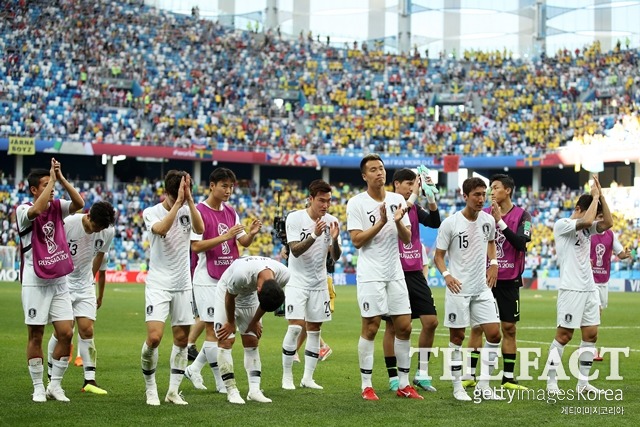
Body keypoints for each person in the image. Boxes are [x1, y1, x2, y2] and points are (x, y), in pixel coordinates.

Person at [346, 154, 422, 401]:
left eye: (381, 168)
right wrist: (381, 222)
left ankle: (403, 383)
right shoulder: (356, 203)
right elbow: (357, 241)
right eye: (373, 169)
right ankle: (366, 385)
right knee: (371, 327)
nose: (379, 172)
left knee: (405, 327)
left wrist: (398, 222)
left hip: (395, 273)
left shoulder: (397, 199)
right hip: (371, 274)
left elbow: (407, 238)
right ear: (364, 176)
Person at [184, 168, 262, 392]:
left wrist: (252, 233)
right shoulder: (198, 211)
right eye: (224, 186)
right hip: (206, 278)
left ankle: (194, 369)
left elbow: (243, 242)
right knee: (215, 332)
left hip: (228, 280)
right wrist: (225, 236)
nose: (228, 191)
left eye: (231, 187)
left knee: (224, 332)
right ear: (212, 186)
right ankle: (220, 381)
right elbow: (196, 246)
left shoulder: (231, 211)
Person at [17, 158, 85, 402]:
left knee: (66, 332)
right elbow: (36, 211)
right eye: (45, 185)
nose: (51, 189)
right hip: (34, 280)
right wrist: (52, 181)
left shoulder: (57, 206)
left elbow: (80, 203)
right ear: (34, 190)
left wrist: (61, 178)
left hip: (58, 279)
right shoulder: (23, 210)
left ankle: (54, 385)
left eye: (51, 185)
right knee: (35, 335)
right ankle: (37, 386)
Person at [433, 177, 503, 402]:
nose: (481, 199)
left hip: (482, 288)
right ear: (465, 196)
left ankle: (484, 384)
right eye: (476, 195)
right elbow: (438, 256)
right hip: (458, 289)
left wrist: (493, 264)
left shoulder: (488, 220)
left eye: (483, 194)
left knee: (494, 334)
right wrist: (446, 275)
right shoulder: (451, 223)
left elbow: (491, 243)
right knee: (458, 337)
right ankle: (457, 387)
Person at [544, 176, 613, 394]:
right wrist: (594, 198)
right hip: (571, 288)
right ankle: (551, 382)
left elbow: (608, 223)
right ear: (578, 208)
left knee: (591, 335)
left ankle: (583, 383)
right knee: (564, 335)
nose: (595, 219)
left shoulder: (588, 229)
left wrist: (600, 197)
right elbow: (585, 221)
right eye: (594, 212)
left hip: (589, 288)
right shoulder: (563, 225)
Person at [140, 170, 204, 406]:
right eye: (177, 193)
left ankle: (173, 391)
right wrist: (178, 203)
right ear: (166, 192)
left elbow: (201, 228)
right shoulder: (152, 212)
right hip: (158, 284)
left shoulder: (188, 210)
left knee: (181, 339)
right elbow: (162, 229)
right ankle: (150, 389)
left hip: (182, 284)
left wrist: (189, 201)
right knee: (155, 338)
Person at [464, 174, 532, 390]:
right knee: (477, 328)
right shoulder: (481, 215)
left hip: (509, 280)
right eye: (490, 188)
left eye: (495, 188)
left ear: (508, 191)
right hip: (484, 280)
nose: (491, 192)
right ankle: (469, 375)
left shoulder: (523, 215)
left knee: (509, 328)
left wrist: (500, 221)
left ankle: (508, 379)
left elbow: (521, 244)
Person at [47, 201, 115, 395]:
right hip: (64, 283)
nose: (98, 231)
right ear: (88, 216)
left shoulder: (107, 231)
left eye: (102, 228)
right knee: (63, 332)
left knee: (87, 329)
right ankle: (51, 374)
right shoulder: (69, 223)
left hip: (85, 286)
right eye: (96, 226)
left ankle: (90, 380)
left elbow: (100, 255)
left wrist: (90, 280)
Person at [382, 168, 440, 393]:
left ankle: (422, 373)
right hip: (394, 271)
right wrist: (416, 193)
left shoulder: (414, 207)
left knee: (431, 321)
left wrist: (431, 197)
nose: (410, 187)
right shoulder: (389, 203)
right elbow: (400, 212)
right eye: (408, 183)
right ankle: (393, 376)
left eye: (413, 184)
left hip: (415, 272)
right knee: (393, 326)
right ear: (396, 184)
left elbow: (434, 222)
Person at [281, 179, 341, 390]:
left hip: (319, 283)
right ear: (311, 199)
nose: (325, 205)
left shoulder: (332, 221)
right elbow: (295, 250)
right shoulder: (295, 218)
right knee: (296, 327)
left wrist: (334, 240)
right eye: (321, 201)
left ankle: (308, 378)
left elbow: (335, 257)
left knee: (314, 329)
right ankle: (287, 377)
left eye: (328, 201)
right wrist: (315, 234)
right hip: (296, 281)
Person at [214, 256, 288, 404]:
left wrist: (254, 322)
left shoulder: (284, 274)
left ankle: (254, 390)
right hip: (227, 293)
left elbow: (267, 302)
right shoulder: (242, 274)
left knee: (252, 339)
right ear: (258, 288)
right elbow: (230, 297)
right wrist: (230, 322)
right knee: (226, 339)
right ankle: (231, 390)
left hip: (251, 297)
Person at [591, 217, 630, 361]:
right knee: (597, 311)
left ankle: (586, 345)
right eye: (598, 217)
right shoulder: (588, 232)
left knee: (597, 314)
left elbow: (620, 253)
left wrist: (625, 255)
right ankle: (590, 348)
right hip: (590, 280)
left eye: (603, 217)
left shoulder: (611, 235)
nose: (601, 220)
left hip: (603, 280)